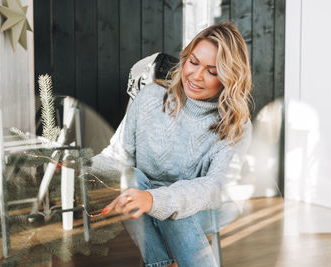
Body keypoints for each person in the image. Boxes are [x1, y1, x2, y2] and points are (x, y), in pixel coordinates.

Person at [88, 21, 252, 267]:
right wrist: (77, 166)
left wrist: (155, 200)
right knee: (129, 179)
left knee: (175, 207)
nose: (196, 76)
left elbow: (213, 187)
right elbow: (117, 157)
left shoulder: (234, 124)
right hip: (147, 192)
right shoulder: (151, 97)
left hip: (208, 206)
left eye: (212, 71)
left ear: (229, 77)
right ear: (185, 59)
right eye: (193, 62)